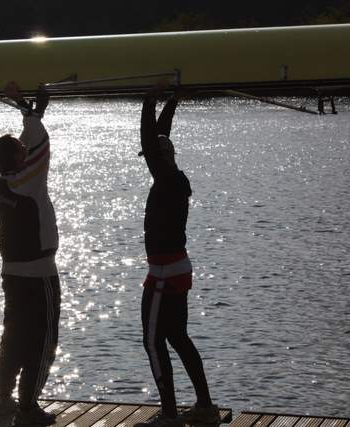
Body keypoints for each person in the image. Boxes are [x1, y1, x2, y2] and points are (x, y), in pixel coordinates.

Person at [135, 84, 220, 427]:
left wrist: (149, 101)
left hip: (165, 273)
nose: (148, 160)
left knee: (152, 341)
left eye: (151, 156)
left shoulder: (167, 178)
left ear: (160, 157)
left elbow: (150, 140)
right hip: (175, 269)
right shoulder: (172, 176)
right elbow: (158, 138)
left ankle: (169, 414)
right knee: (177, 338)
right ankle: (205, 407)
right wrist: (171, 101)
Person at [0, 82, 61, 426]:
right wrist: (23, 104)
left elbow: (28, 142)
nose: (24, 149)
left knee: (13, 335)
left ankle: (4, 397)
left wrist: (33, 110)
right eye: (21, 150)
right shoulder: (29, 180)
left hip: (12, 273)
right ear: (19, 158)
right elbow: (40, 143)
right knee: (43, 340)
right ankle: (28, 408)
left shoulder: (0, 181)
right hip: (39, 272)